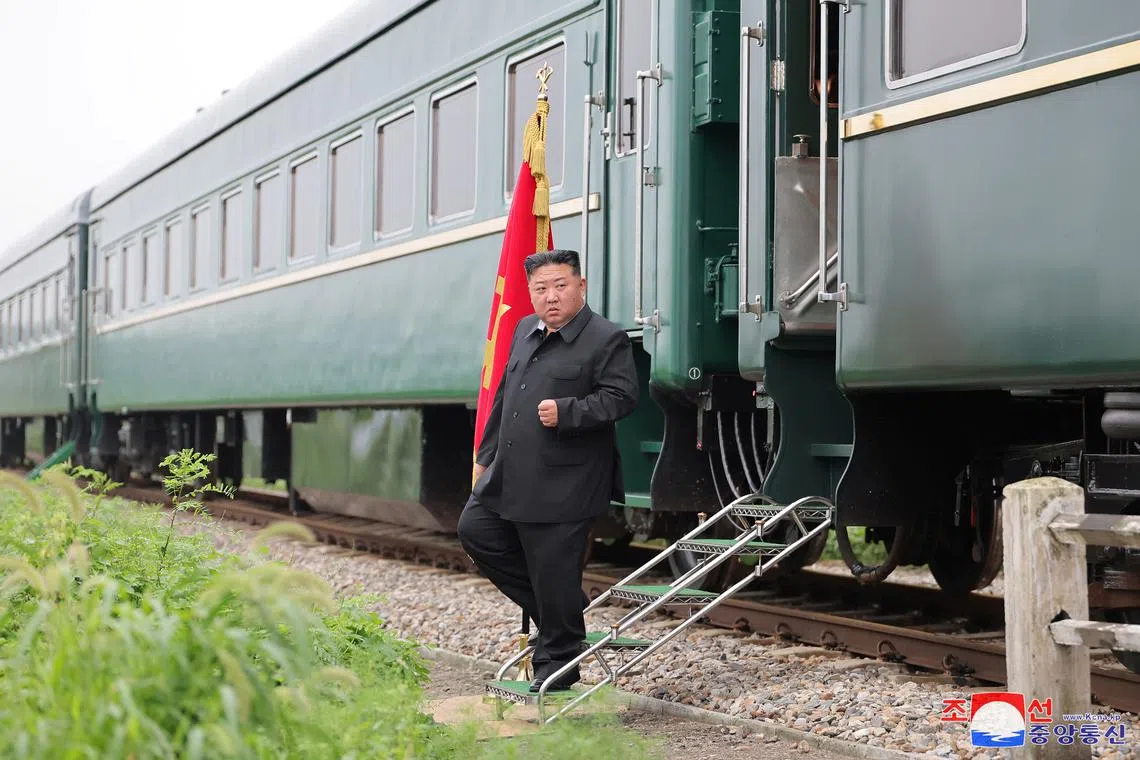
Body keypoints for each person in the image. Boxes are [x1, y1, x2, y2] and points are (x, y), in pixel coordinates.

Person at [457, 248, 639, 692]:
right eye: (541, 289)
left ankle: (557, 670)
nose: (551, 297)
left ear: (581, 286)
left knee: (552, 568)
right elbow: (504, 398)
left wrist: (568, 410)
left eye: (560, 286)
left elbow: (622, 398)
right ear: (531, 294)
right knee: (476, 531)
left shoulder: (605, 338)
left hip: (567, 481)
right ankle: (564, 611)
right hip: (511, 472)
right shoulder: (524, 330)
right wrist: (484, 458)